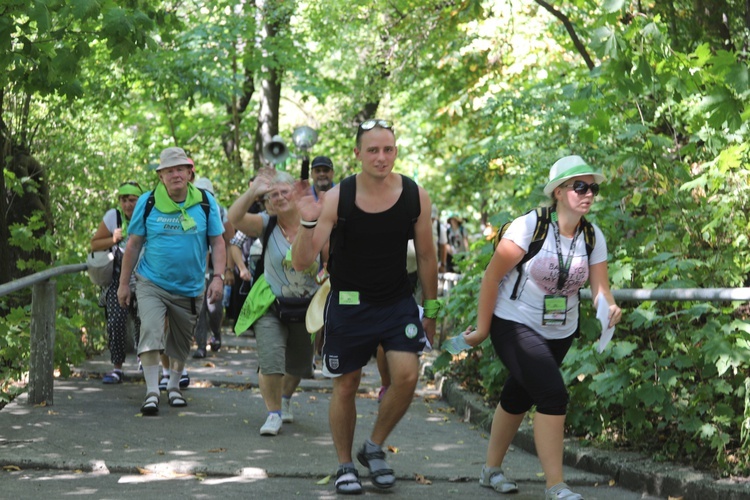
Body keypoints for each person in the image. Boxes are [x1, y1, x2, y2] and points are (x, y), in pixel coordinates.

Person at [459, 155, 622, 500]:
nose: (588, 193)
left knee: (519, 395)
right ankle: (556, 486)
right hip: (513, 321)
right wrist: (483, 329)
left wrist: (608, 307)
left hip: (560, 330)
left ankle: (490, 471)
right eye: (580, 186)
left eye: (593, 187)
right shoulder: (529, 227)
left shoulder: (592, 236)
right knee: (552, 394)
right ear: (560, 192)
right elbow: (492, 276)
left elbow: (599, 289)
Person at [291, 119, 439, 494]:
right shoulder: (339, 196)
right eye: (372, 150)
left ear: (396, 151)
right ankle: (344, 466)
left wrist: (432, 310)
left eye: (388, 149)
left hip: (396, 302)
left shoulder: (414, 195)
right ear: (357, 154)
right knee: (348, 383)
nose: (381, 157)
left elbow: (426, 256)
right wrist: (307, 219)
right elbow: (301, 260)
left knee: (407, 375)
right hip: (349, 302)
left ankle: (373, 447)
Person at [117, 146, 226, 416]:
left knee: (179, 341)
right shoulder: (148, 201)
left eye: (180, 169)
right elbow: (133, 245)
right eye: (169, 170)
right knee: (151, 330)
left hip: (190, 287)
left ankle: (174, 388)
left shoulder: (205, 201)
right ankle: (152, 392)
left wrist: (218, 277)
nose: (175, 174)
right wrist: (123, 283)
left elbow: (218, 241)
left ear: (190, 172)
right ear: (161, 175)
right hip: (151, 282)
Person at [228, 168, 323, 436]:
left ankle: (285, 398)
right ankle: (273, 413)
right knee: (270, 359)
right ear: (268, 201)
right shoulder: (266, 223)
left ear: (295, 194)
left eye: (284, 192)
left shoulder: (315, 221)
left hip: (308, 307)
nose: (279, 197)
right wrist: (252, 191)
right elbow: (234, 218)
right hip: (271, 303)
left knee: (300, 365)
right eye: (273, 194)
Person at [90, 180, 145, 384]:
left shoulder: (149, 216)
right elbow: (94, 244)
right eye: (124, 200)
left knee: (144, 320)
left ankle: (144, 360)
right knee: (116, 321)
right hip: (117, 277)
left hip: (144, 277)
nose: (128, 204)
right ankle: (117, 367)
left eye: (132, 199)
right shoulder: (113, 217)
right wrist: (113, 240)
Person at [192, 176, 235, 359]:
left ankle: (216, 333)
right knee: (198, 308)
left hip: (215, 269)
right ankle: (201, 345)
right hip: (196, 269)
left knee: (213, 308)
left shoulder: (220, 212)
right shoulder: (189, 211)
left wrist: (228, 269)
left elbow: (229, 242)